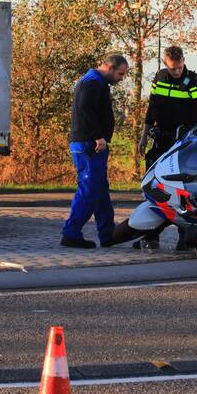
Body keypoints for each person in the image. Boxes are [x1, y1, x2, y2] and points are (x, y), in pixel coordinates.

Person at [136, 46, 197, 250]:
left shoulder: (193, 81)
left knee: (184, 189)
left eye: (179, 67)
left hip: (183, 141)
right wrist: (144, 138)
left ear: (184, 61)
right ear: (165, 64)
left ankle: (187, 239)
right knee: (154, 185)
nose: (176, 72)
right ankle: (151, 235)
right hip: (161, 140)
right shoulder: (159, 78)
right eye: (172, 68)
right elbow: (151, 110)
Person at [61, 53, 129, 249]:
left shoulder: (98, 82)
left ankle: (107, 235)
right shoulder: (92, 82)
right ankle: (71, 233)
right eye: (120, 74)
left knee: (99, 190)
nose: (121, 78)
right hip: (88, 145)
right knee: (89, 189)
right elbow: (85, 110)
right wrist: (98, 136)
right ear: (109, 68)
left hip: (94, 145)